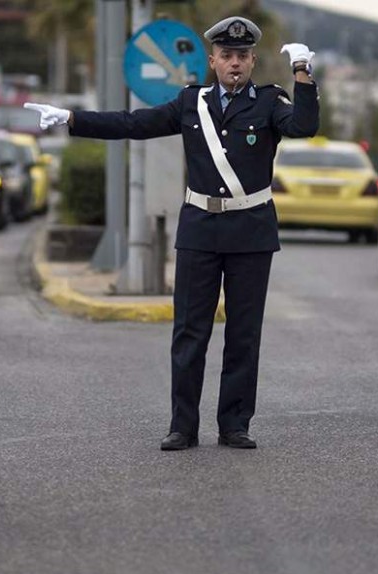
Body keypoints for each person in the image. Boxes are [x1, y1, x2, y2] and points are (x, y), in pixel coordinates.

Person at [24, 16, 319, 451]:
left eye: (242, 56)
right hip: (200, 229)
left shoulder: (270, 103)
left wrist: (302, 74)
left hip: (251, 232)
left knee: (243, 334)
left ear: (253, 60)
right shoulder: (190, 103)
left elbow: (304, 127)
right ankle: (183, 425)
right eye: (226, 56)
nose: (234, 63)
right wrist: (71, 118)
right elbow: (132, 124)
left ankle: (235, 424)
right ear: (212, 61)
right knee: (189, 333)